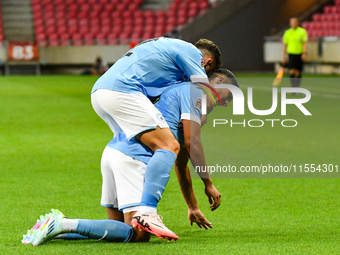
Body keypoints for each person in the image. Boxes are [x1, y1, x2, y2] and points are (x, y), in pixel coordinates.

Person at [22, 69, 238, 246]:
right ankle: (63, 223)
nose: (227, 104)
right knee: (139, 234)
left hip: (114, 152)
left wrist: (193, 207)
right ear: (219, 81)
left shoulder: (176, 93)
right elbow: (193, 143)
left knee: (117, 231)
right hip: (133, 159)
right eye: (229, 96)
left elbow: (181, 164)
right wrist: (208, 184)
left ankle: (54, 231)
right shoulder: (195, 93)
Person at [91, 37, 222, 239]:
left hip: (101, 94)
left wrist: (193, 206)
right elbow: (201, 86)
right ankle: (149, 212)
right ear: (207, 62)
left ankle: (63, 227)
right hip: (123, 91)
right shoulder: (192, 54)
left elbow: (181, 161)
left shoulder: (168, 68)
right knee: (168, 144)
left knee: (128, 234)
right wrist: (200, 115)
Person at [282, 17, 308, 89]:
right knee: (292, 71)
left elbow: (305, 43)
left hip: (299, 54)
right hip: (291, 54)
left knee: (298, 72)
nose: (293, 23)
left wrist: (304, 53)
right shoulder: (287, 32)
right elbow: (285, 45)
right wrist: (284, 57)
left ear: (297, 23)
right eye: (292, 22)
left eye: (295, 22)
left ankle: (297, 86)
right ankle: (294, 87)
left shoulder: (302, 31)